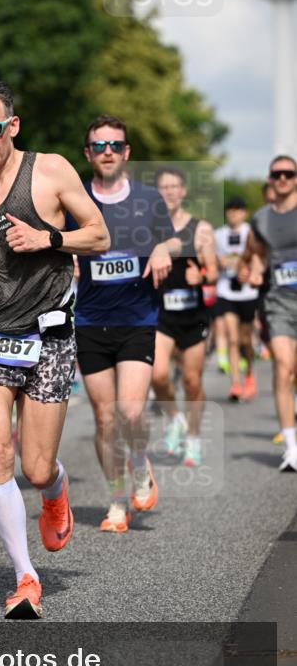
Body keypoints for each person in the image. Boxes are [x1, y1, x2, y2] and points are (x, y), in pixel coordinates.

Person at [0, 79, 109, 619]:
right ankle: (25, 577)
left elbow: (99, 236)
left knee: (35, 468)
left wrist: (48, 239)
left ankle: (54, 489)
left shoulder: (52, 170)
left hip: (49, 333)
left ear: (12, 126)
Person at [73, 119, 179, 533]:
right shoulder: (77, 198)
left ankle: (139, 466)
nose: (107, 150)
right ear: (88, 153)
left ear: (127, 152)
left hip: (138, 317)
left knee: (131, 413)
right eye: (98, 144)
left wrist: (160, 248)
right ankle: (117, 501)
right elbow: (60, 238)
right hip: (90, 319)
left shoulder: (149, 198)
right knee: (104, 419)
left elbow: (171, 238)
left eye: (115, 144)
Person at [151, 167, 218, 467]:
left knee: (192, 381)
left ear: (183, 191)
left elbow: (215, 272)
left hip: (193, 316)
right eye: (163, 187)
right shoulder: (149, 228)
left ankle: (192, 437)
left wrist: (200, 275)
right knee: (158, 374)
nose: (169, 192)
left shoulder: (200, 228)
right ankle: (174, 418)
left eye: (174, 186)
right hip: (161, 314)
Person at [239, 154, 297, 472]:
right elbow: (258, 257)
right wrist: (255, 272)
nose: (283, 179)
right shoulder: (261, 219)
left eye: (289, 173)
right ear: (271, 178)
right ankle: (292, 447)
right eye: (277, 174)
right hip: (279, 302)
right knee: (283, 366)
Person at [213, 198, 259, 400]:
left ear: (245, 213)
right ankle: (236, 384)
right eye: (230, 210)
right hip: (226, 290)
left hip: (248, 292)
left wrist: (249, 270)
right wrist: (218, 261)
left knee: (245, 340)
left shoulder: (252, 232)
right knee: (232, 337)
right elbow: (211, 258)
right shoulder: (218, 235)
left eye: (237, 210)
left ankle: (249, 373)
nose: (233, 214)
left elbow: (259, 258)